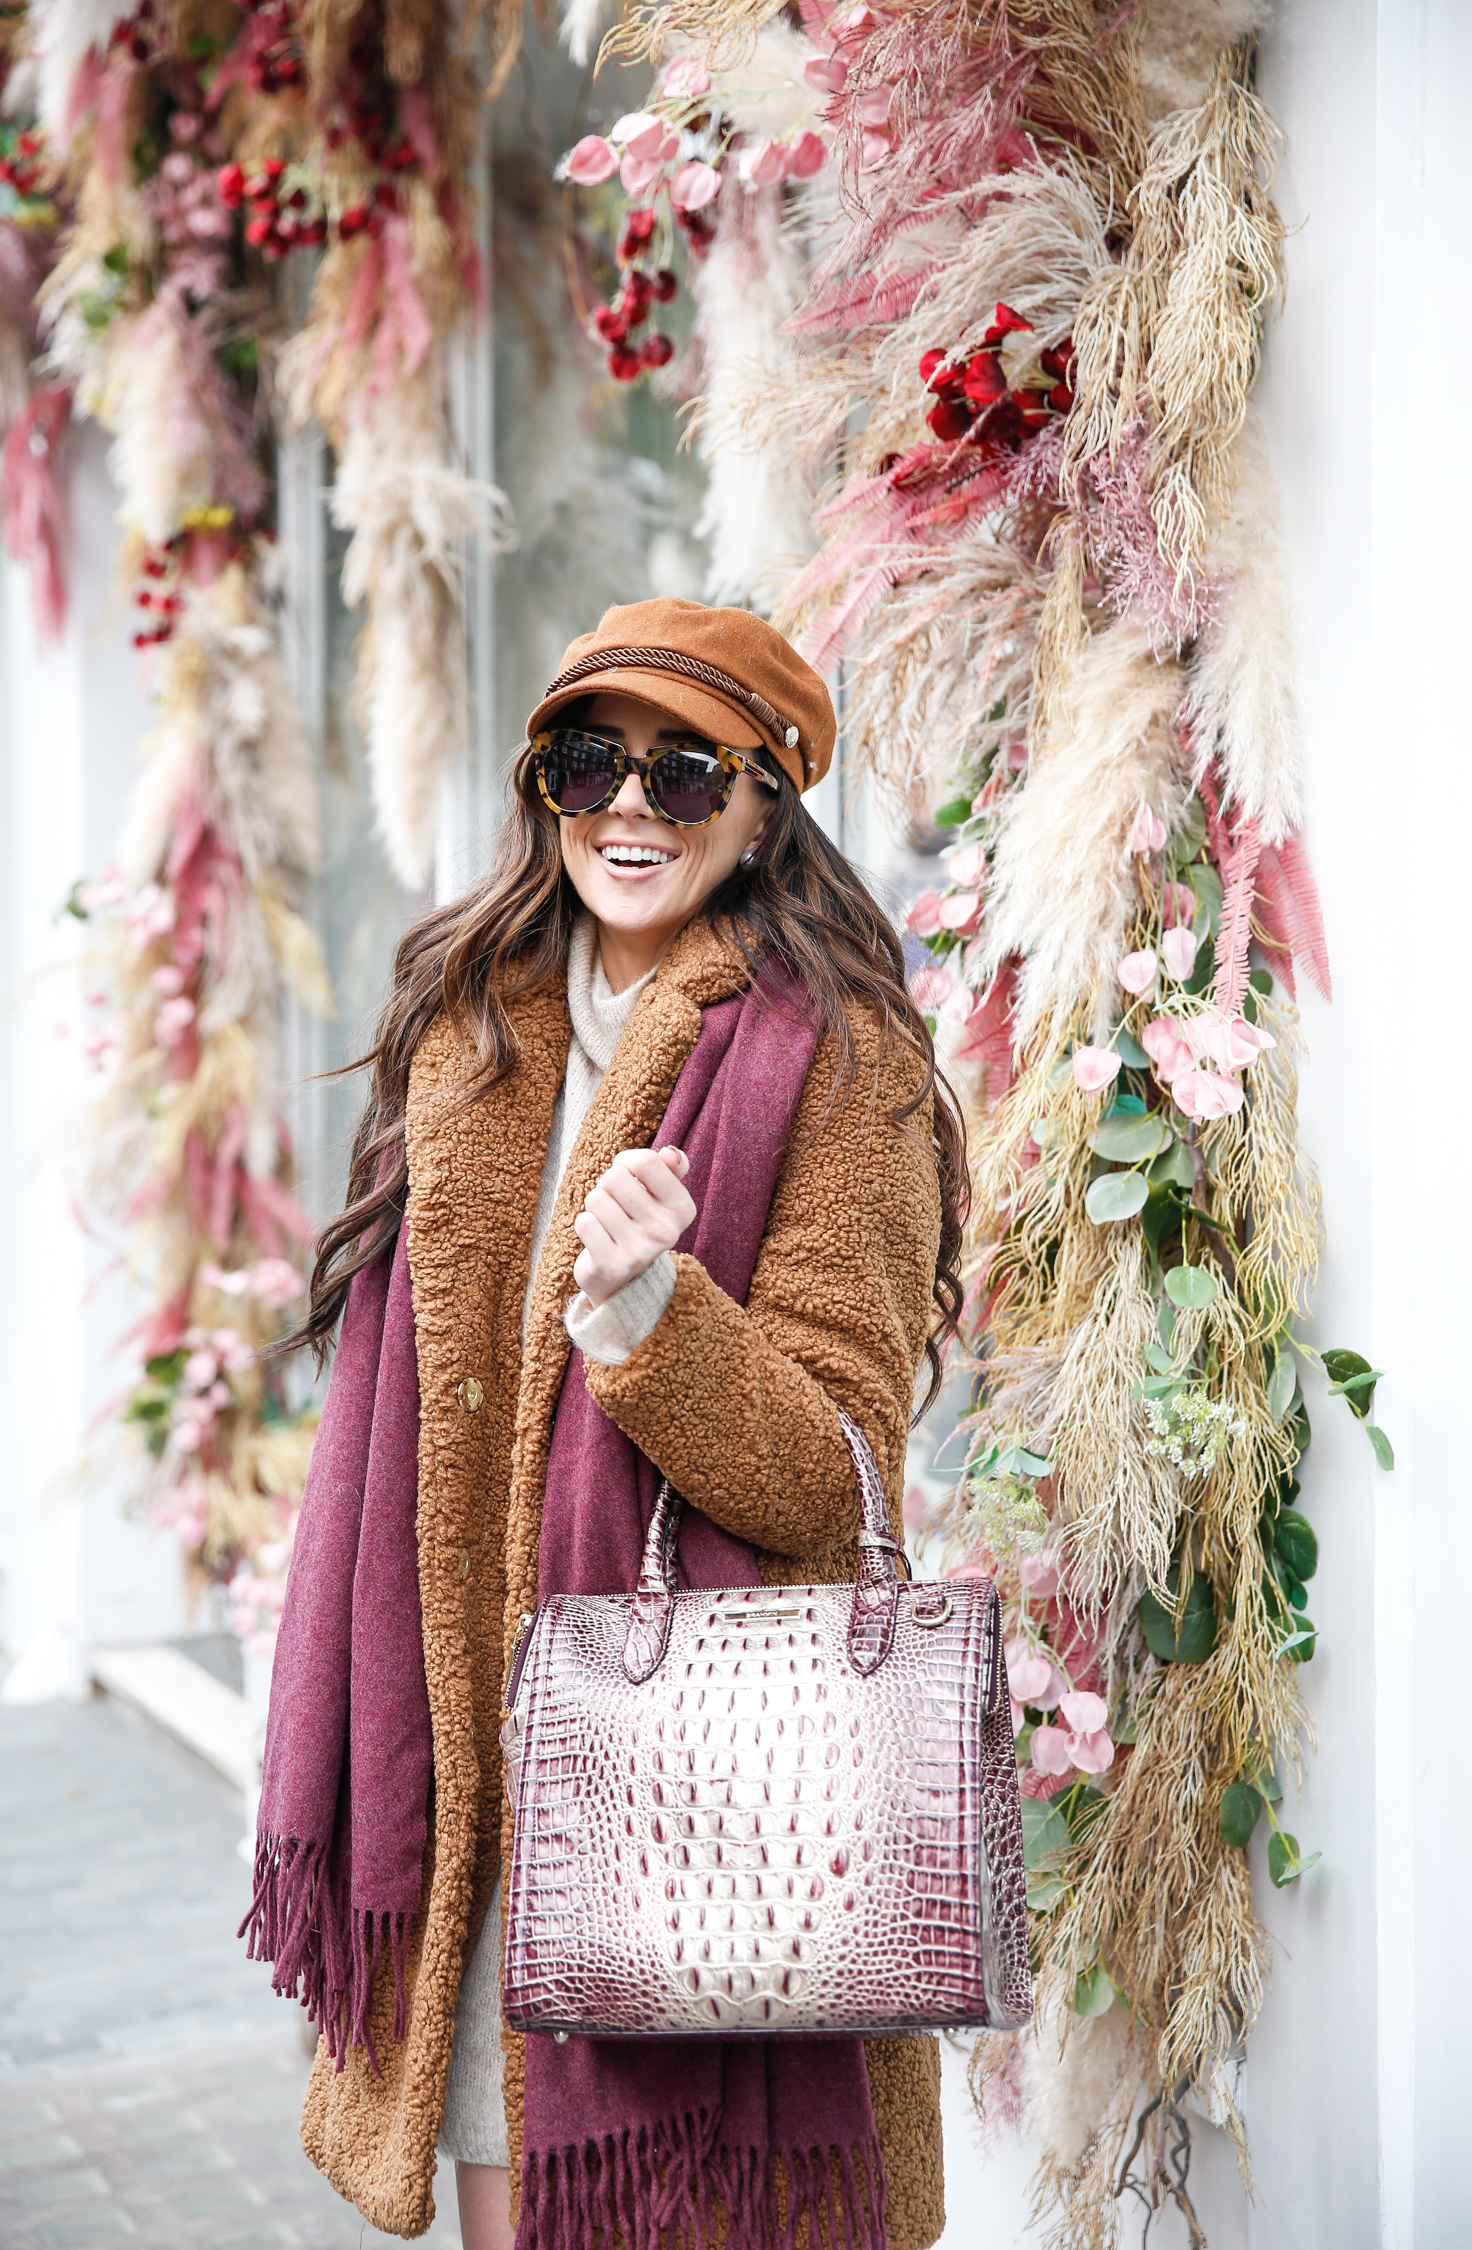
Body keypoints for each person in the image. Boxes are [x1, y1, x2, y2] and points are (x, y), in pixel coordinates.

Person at [245, 599, 967, 2250]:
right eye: (590, 762)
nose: (628, 805)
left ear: (770, 799)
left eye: (685, 771)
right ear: (543, 786)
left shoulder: (843, 1064)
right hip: (479, 1784)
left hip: (694, 1790)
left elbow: (829, 1467)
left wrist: (651, 1314)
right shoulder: (470, 1022)